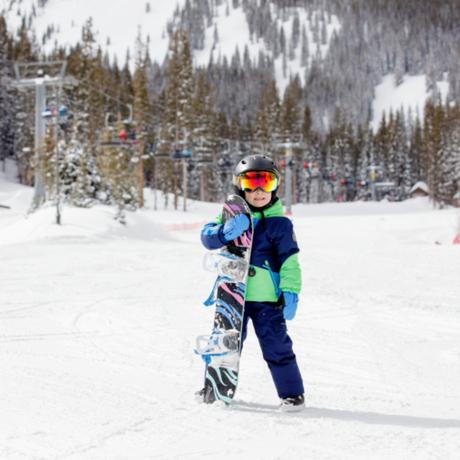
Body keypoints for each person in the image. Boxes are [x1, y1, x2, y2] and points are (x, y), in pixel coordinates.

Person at [198, 154, 305, 412]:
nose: (258, 191)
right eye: (251, 183)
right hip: (233, 297)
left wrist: (291, 290)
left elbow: (290, 260)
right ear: (240, 185)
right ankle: (214, 386)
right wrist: (225, 231)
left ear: (275, 186)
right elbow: (206, 237)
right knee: (224, 344)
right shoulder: (229, 217)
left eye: (265, 183)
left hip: (268, 300)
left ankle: (292, 395)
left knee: (277, 347)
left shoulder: (280, 224)